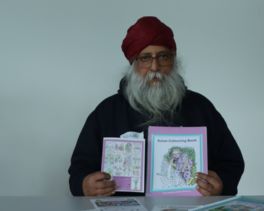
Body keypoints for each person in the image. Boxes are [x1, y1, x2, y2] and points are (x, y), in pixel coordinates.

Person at [68, 16, 245, 197]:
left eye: (163, 57)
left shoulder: (201, 108)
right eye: (145, 58)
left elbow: (231, 162)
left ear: (174, 60)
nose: (155, 67)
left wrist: (222, 183)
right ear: (133, 64)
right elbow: (78, 170)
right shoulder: (106, 112)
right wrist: (85, 185)